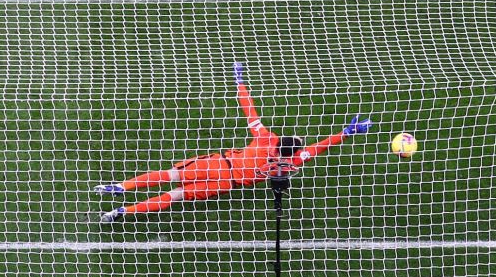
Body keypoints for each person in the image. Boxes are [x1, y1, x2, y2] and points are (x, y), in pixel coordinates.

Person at [95, 62, 373, 222]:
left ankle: (121, 186)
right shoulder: (292, 162)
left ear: (280, 142)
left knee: (170, 175)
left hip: (218, 164)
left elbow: (249, 110)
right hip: (225, 184)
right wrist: (348, 132)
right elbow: (320, 147)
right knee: (175, 196)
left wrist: (240, 82)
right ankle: (122, 211)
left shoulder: (266, 138)